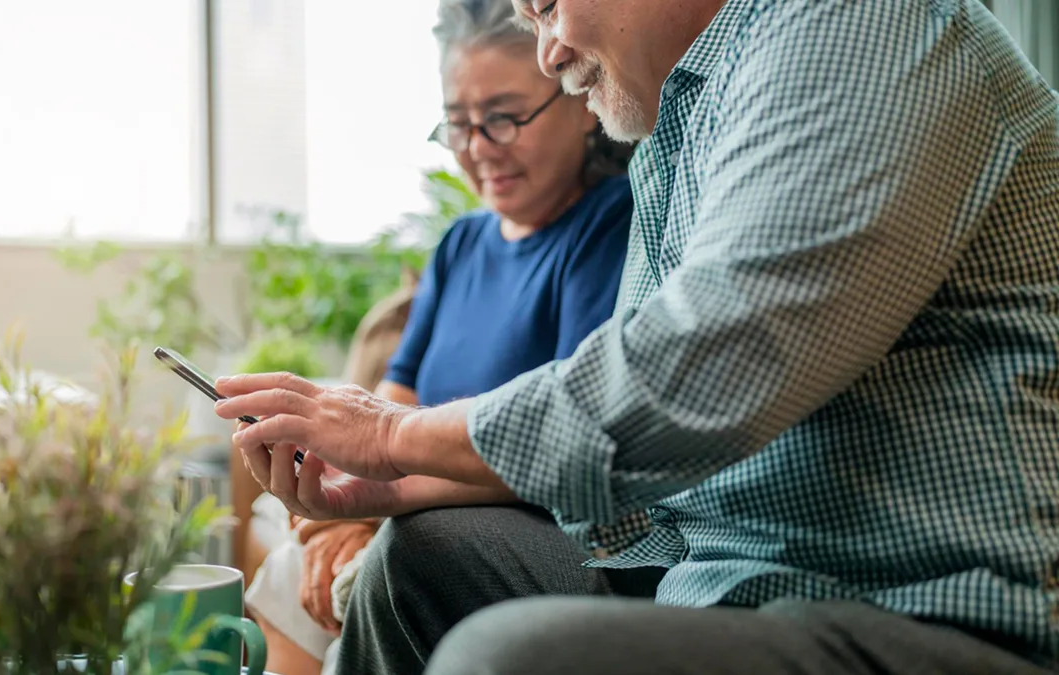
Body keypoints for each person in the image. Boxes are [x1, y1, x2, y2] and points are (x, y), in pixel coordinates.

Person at [217, 0, 1059, 673]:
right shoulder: (674, 138)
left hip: (931, 611)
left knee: (506, 657)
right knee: (421, 561)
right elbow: (646, 490)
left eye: (546, 5)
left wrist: (393, 436)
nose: (546, 51)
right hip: (726, 583)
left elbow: (693, 378)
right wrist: (390, 487)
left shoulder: (858, 25)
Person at [240, 1, 638, 673]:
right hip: (410, 499)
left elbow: (564, 438)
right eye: (459, 124)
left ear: (578, 101)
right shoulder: (461, 244)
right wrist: (350, 507)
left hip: (508, 518)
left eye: (505, 117)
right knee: (296, 549)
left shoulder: (608, 226)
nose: (480, 146)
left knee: (351, 563)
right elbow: (396, 391)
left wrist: (379, 500)